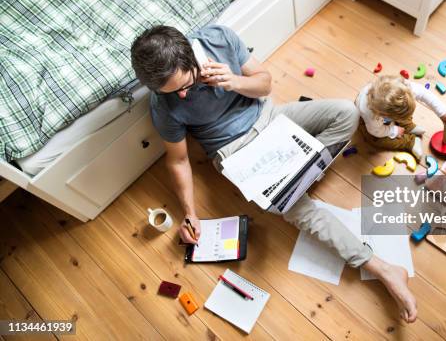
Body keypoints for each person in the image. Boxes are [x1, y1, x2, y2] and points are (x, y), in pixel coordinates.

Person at [130, 24, 417, 323]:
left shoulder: (217, 38)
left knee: (347, 113)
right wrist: (189, 212)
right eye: (174, 92)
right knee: (294, 206)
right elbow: (178, 161)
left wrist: (234, 82)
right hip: (235, 152)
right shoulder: (163, 105)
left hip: (270, 117)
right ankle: (381, 267)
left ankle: (294, 178)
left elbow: (265, 84)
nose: (183, 93)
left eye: (185, 83)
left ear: (190, 55)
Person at [356, 75, 446, 158]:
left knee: (404, 111)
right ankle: (409, 142)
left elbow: (424, 93)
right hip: (371, 124)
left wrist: (442, 111)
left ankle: (408, 125)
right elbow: (376, 131)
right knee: (374, 139)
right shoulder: (371, 115)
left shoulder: (404, 89)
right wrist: (393, 130)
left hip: (387, 112)